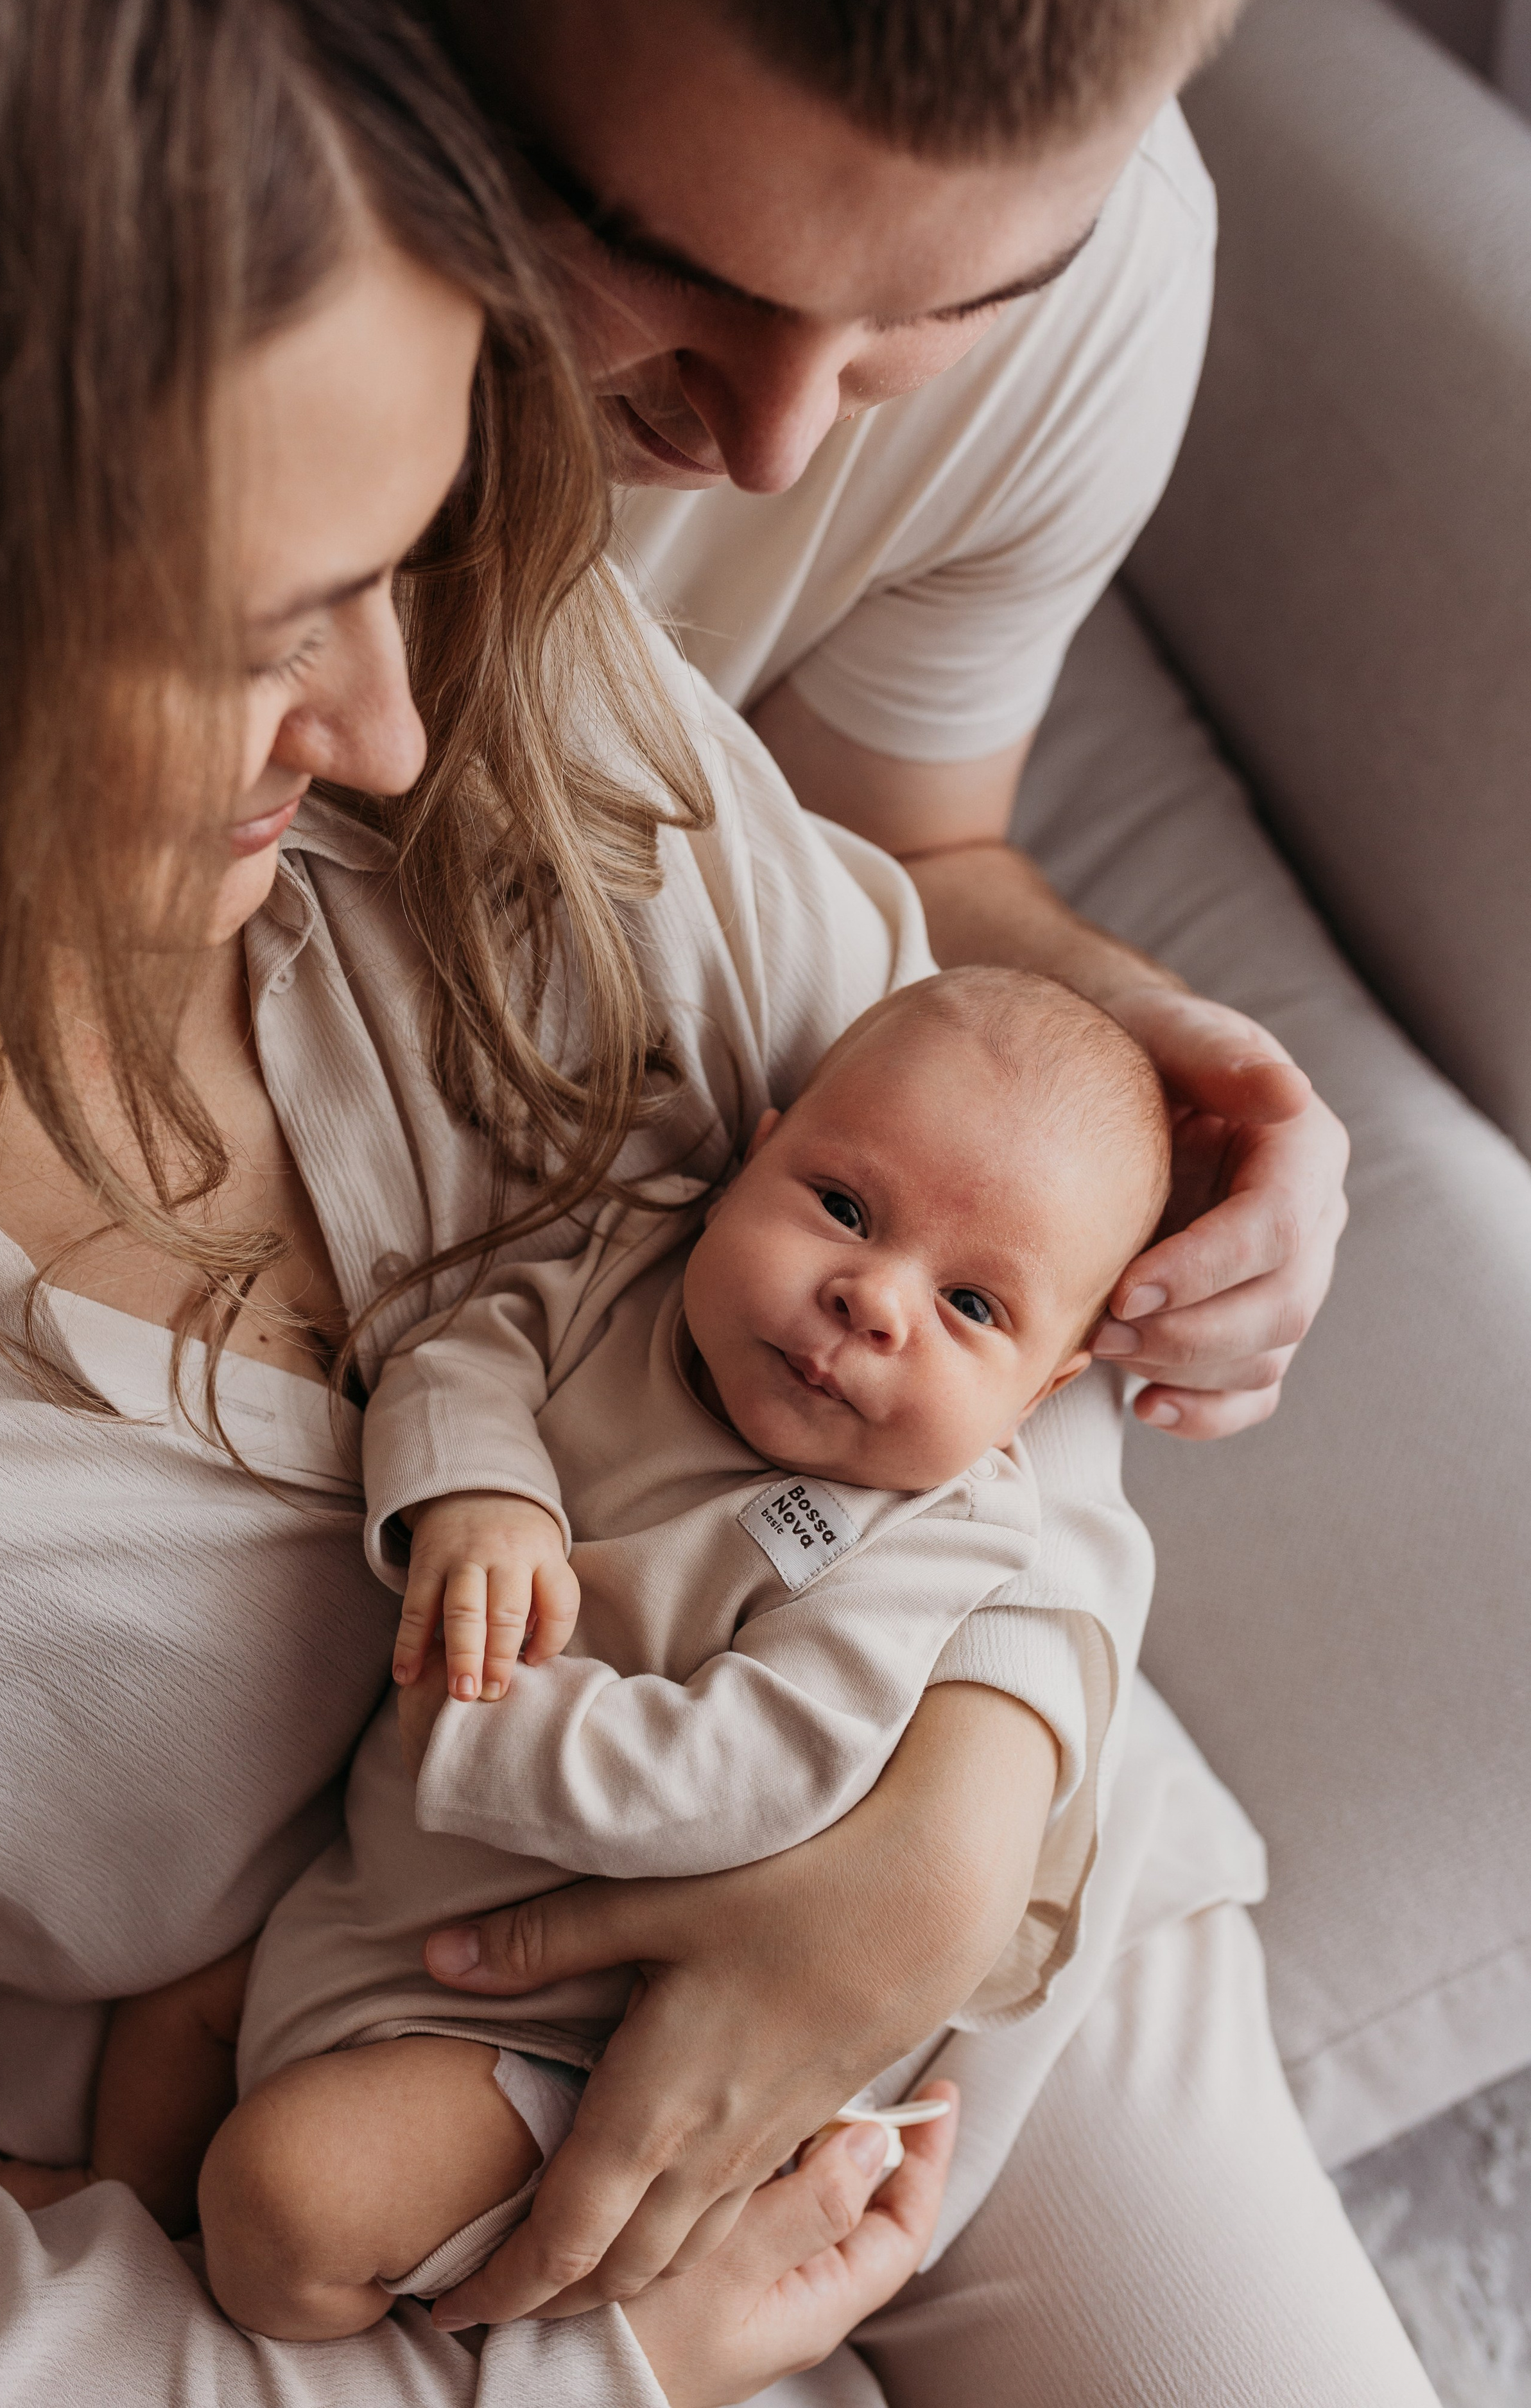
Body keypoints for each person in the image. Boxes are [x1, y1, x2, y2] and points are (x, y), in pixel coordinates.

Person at [0, 0, 979, 2403]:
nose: (392, 731)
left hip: (948, 1849)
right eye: (269, 630)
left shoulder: (470, 640)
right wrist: (574, 2377)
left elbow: (993, 1194)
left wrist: (961, 1815)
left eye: (404, 559)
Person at [173, 970, 1166, 2337]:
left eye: (973, 1309)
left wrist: (477, 1719)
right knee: (169, 2016)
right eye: (841, 1207)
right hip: (365, 1901)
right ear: (754, 1153)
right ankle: (129, 2223)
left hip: (573, 2027)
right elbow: (464, 1356)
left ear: (1040, 1396)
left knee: (289, 2197)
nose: (871, 1300)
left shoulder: (933, 1534)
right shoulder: (629, 1269)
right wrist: (483, 1493)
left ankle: (344, 2327)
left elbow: (753, 1770)